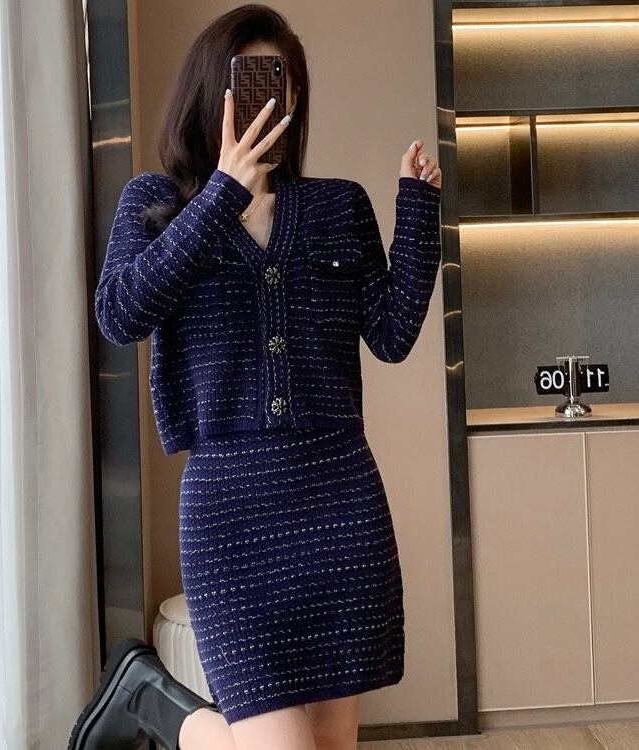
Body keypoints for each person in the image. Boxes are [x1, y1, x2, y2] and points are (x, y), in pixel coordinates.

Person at [70, 4, 442, 750]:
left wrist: (419, 212)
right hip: (230, 514)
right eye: (250, 79)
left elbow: (393, 335)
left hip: (339, 502)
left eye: (282, 81)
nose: (268, 97)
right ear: (213, 88)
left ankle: (149, 698)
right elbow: (120, 314)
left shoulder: (338, 206)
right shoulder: (156, 202)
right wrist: (223, 193)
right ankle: (159, 706)